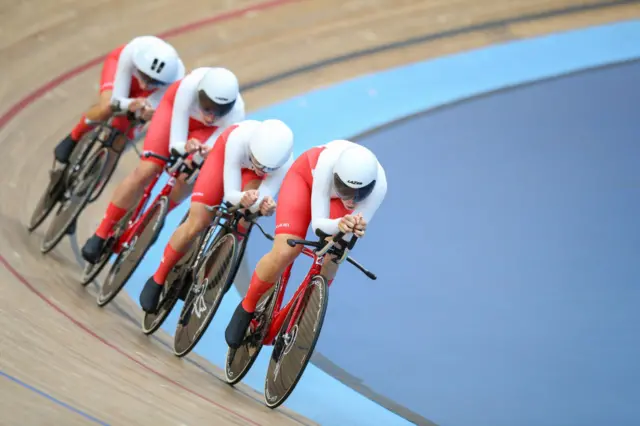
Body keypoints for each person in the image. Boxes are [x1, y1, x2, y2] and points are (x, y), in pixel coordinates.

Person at [224, 140, 387, 349]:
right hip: (305, 180)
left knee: (333, 257)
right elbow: (319, 224)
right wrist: (341, 222)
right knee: (286, 250)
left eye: (360, 194)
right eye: (346, 190)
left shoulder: (379, 186)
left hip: (335, 200)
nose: (353, 200)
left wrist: (353, 226)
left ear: (370, 187)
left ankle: (299, 319)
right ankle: (246, 307)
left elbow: (350, 232)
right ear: (337, 178)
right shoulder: (326, 164)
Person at [81, 66, 246, 264]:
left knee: (188, 177)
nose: (211, 116)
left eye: (220, 111)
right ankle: (102, 231)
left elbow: (213, 148)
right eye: (207, 107)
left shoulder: (237, 114)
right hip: (174, 115)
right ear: (199, 94)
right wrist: (181, 148)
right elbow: (176, 134)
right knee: (147, 169)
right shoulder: (189, 86)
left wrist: (197, 158)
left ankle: (156, 217)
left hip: (205, 135)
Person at [138, 119, 295, 313]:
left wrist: (263, 205)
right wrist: (242, 197)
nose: (261, 169)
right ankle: (158, 278)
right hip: (224, 160)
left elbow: (261, 197)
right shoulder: (239, 139)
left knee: (245, 219)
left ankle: (213, 268)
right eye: (258, 162)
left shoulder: (285, 163)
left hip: (251, 179)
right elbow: (230, 194)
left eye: (267, 169)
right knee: (198, 222)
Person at [53, 35, 185, 164]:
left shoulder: (175, 82)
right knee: (107, 107)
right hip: (124, 71)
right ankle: (74, 136)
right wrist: (130, 103)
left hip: (150, 93)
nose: (144, 84)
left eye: (154, 81)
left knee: (121, 139)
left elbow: (147, 111)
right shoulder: (131, 52)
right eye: (144, 76)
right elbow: (116, 100)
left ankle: (97, 178)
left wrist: (143, 114)